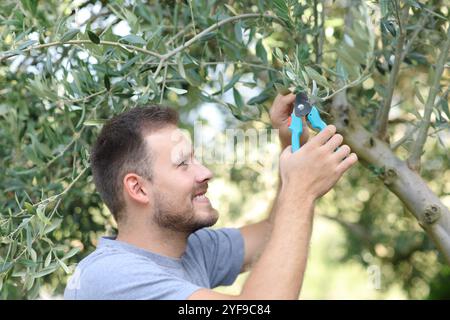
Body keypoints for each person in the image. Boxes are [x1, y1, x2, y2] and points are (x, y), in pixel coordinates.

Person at [64, 93, 358, 300]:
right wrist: (300, 190)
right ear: (139, 189)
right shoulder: (112, 277)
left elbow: (274, 234)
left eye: (196, 159)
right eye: (183, 163)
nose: (205, 173)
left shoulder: (192, 249)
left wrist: (291, 148)